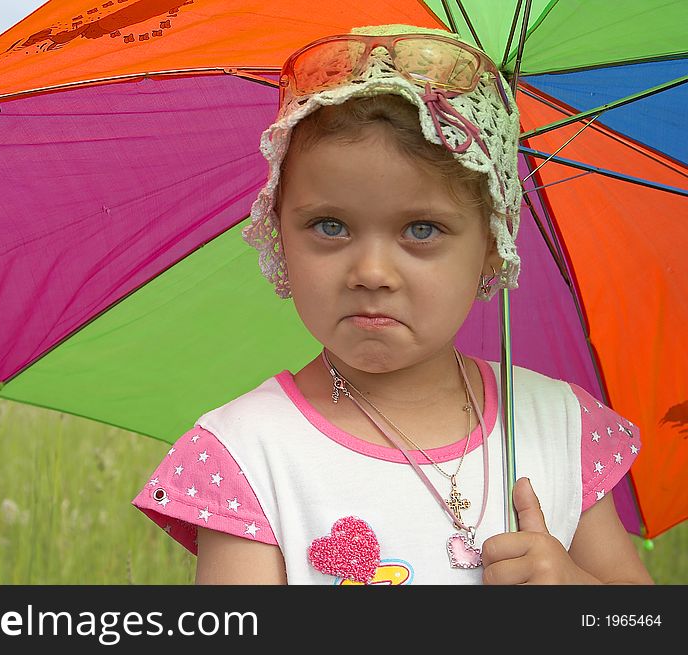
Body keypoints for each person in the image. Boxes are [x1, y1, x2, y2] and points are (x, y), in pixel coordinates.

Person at [132, 23, 654, 585]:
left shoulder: (554, 428)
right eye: (330, 226)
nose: (372, 273)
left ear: (491, 246)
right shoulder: (251, 455)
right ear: (278, 230)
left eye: (422, 229)